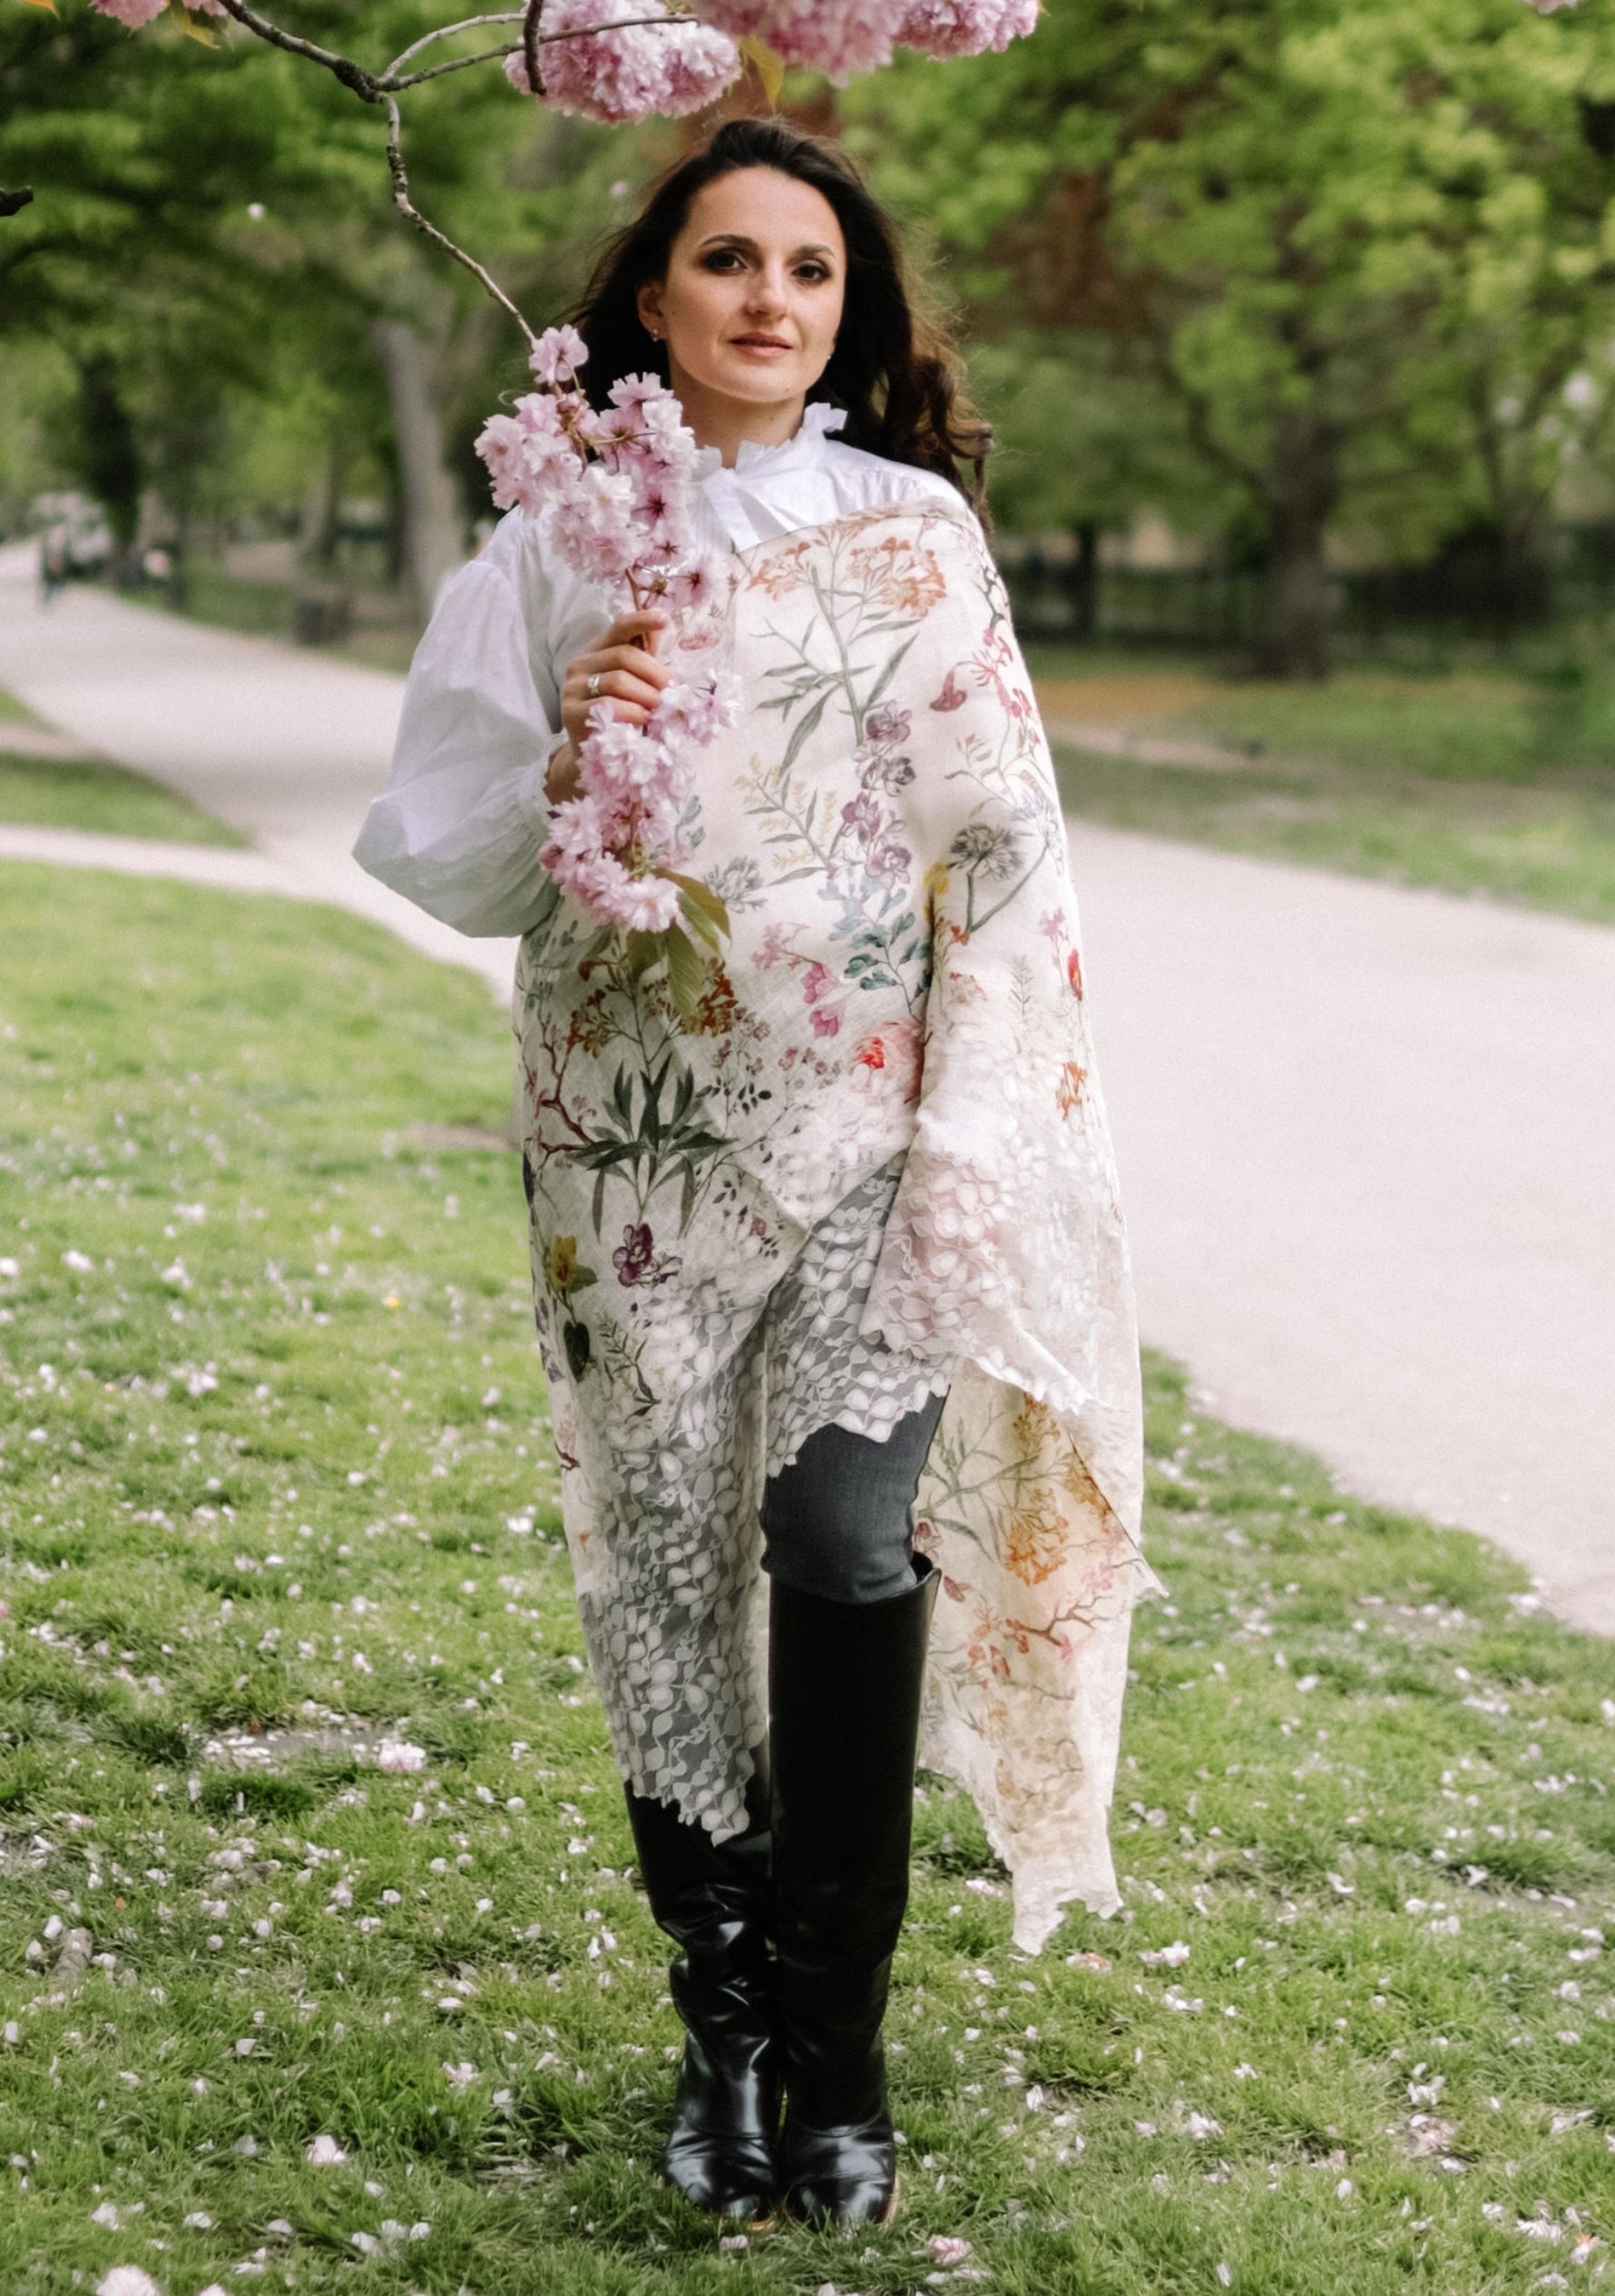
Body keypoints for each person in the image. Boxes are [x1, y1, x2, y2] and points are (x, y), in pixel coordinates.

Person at [354, 116, 1151, 2232]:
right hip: (634, 1144)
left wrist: (979, 1119)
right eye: (727, 261)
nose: (769, 300)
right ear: (652, 296)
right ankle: (720, 2030)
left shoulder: (910, 531)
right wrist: (559, 748)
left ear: (846, 307)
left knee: (842, 1533)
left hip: (880, 1137)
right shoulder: (558, 537)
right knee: (659, 1554)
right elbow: (441, 845)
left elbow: (1003, 842)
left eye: (809, 269)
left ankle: (838, 2046)